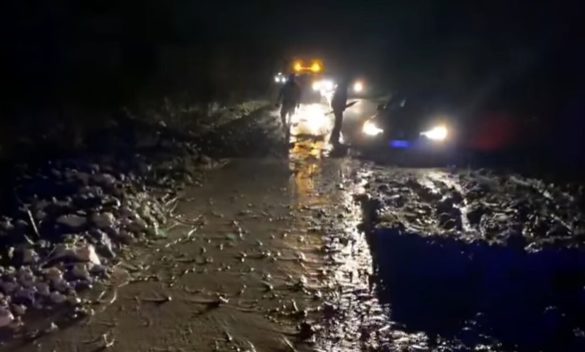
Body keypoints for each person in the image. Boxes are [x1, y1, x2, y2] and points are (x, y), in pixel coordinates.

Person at [276, 74, 301, 138]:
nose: (292, 79)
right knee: (283, 114)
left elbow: (298, 95)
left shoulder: (296, 86)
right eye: (291, 78)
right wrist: (277, 101)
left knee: (289, 114)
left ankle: (288, 126)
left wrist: (298, 103)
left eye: (292, 78)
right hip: (286, 102)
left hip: (291, 103)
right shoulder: (286, 86)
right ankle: (285, 124)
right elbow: (280, 93)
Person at [329, 78, 349, 147]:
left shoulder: (340, 88)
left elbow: (340, 99)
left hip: (338, 107)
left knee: (338, 123)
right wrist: (339, 107)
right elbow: (339, 99)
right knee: (338, 123)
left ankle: (334, 138)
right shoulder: (342, 89)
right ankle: (334, 139)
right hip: (338, 107)